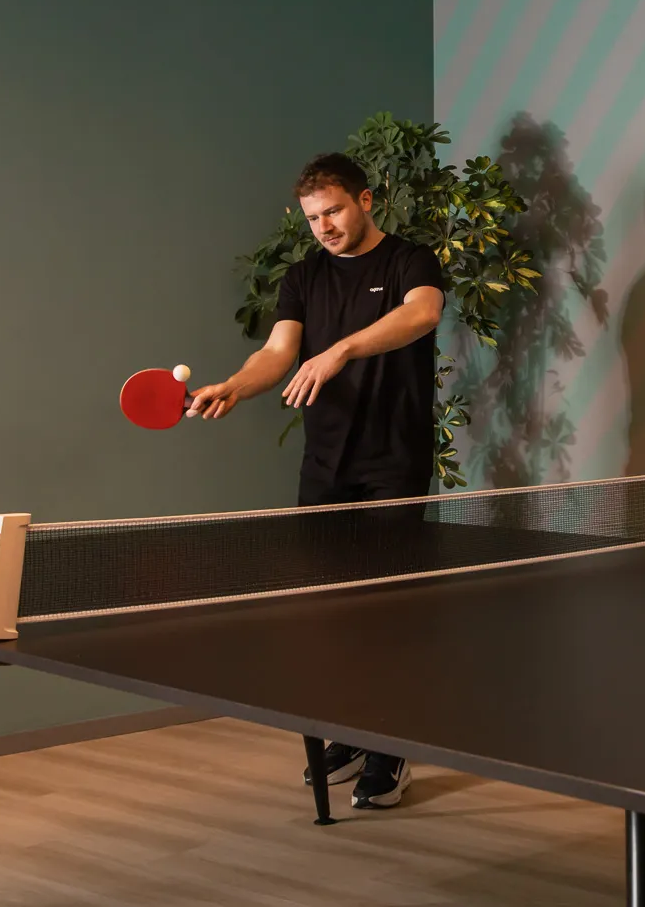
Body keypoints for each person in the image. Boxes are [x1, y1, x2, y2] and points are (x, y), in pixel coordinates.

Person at [190, 151, 445, 810]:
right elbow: (277, 353)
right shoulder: (304, 275)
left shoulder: (409, 260)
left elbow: (422, 315)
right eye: (312, 217)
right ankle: (350, 734)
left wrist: (341, 348)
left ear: (365, 200)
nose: (323, 225)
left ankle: (391, 750)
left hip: (393, 463)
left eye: (332, 210)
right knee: (330, 613)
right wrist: (235, 388)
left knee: (387, 612)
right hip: (324, 465)